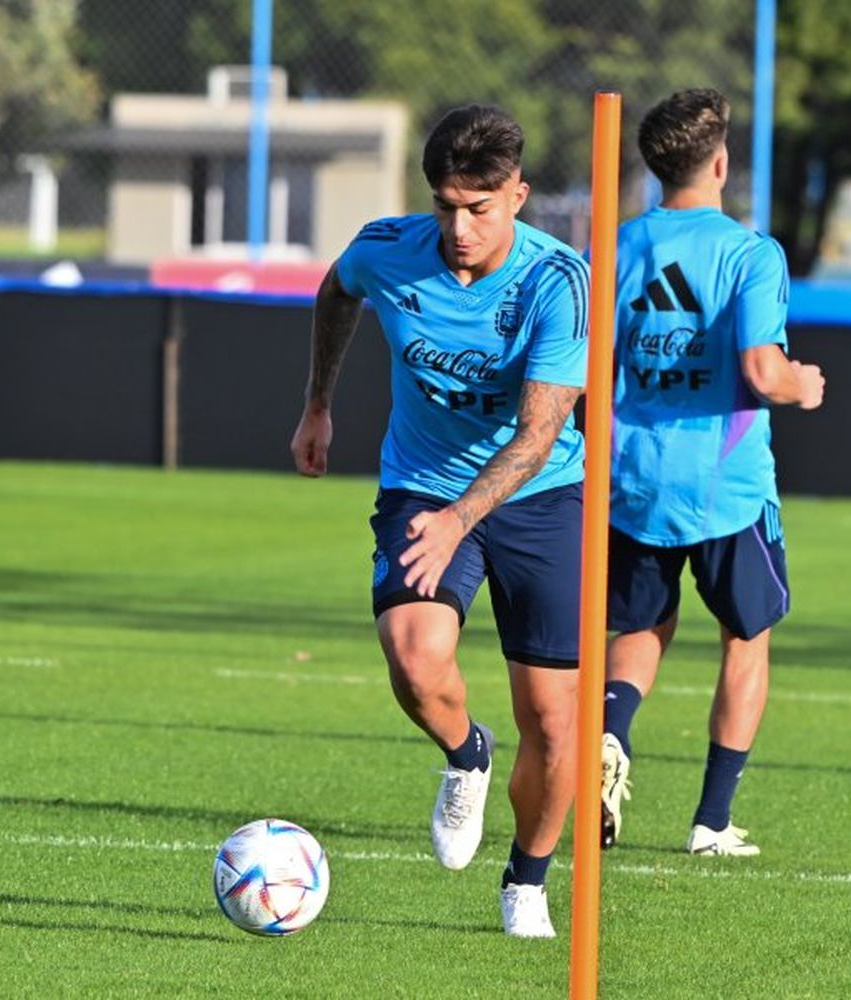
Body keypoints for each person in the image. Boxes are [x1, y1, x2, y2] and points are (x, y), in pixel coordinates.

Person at [291, 104, 589, 937]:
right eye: (446, 206)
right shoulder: (388, 249)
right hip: (422, 484)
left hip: (541, 497)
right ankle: (468, 754)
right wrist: (318, 403)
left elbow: (539, 435)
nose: (460, 227)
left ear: (519, 196)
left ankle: (526, 881)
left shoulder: (556, 280)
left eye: (480, 209)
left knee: (557, 722)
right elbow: (335, 292)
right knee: (417, 667)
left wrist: (464, 517)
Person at [598, 88, 824, 858]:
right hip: (725, 482)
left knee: (640, 626)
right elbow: (762, 371)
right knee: (745, 636)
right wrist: (804, 383)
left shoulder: (614, 246)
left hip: (630, 477)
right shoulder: (750, 252)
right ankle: (711, 821)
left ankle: (610, 731)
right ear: (721, 162)